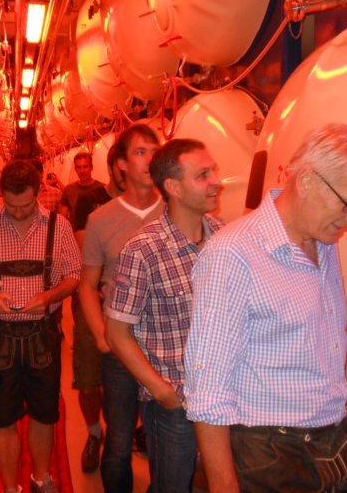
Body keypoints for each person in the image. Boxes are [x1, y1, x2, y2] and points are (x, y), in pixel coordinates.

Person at [184, 123, 347, 493]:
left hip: (333, 443)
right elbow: (207, 388)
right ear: (306, 181)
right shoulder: (233, 255)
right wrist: (223, 485)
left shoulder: (324, 245)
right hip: (268, 455)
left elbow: (329, 353)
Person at [0, 160, 81, 493]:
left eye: (25, 205)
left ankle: (42, 478)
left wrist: (50, 296)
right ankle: (11, 488)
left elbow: (73, 276)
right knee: (1, 417)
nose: (19, 212)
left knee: (44, 413)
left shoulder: (59, 226)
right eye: (11, 206)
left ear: (37, 193)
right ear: (1, 195)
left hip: (43, 334)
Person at [105, 139, 224, 492]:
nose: (216, 181)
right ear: (173, 187)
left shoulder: (223, 236)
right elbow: (116, 333)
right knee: (172, 486)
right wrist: (161, 391)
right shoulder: (143, 251)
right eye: (203, 174)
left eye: (213, 171)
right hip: (174, 404)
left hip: (223, 395)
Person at [79, 124, 164, 492]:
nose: (149, 160)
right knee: (118, 440)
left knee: (168, 441)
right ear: (121, 165)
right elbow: (87, 284)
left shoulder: (177, 211)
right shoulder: (101, 220)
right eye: (140, 152)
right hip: (121, 345)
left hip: (167, 347)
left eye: (155, 151)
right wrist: (102, 337)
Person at [68, 145, 125, 473]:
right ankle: (93, 433)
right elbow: (84, 244)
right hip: (93, 298)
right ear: (115, 166)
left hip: (130, 303)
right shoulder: (90, 201)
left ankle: (120, 437)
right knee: (89, 380)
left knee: (128, 380)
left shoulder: (148, 204)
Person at [60, 152, 104, 219]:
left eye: (85, 167)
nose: (82, 171)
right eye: (79, 167)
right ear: (75, 169)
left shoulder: (102, 189)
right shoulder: (69, 190)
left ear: (91, 167)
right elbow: (62, 218)